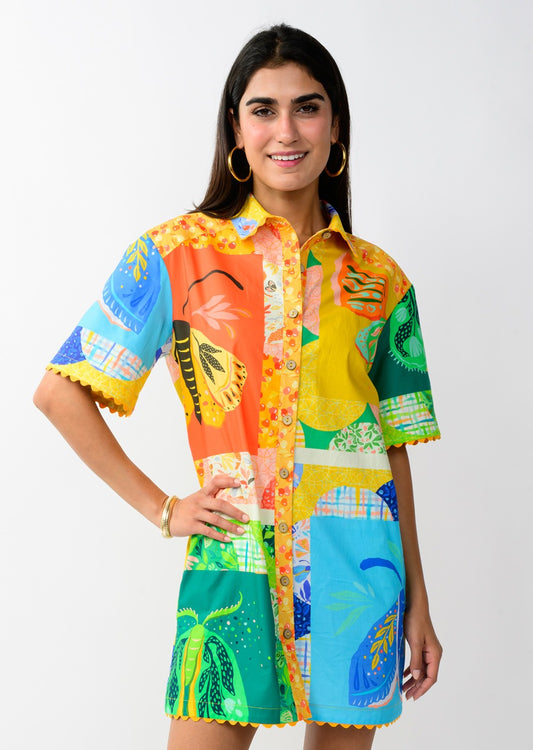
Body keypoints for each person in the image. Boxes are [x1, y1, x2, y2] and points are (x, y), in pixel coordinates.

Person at [34, 23, 442, 750]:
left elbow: (392, 449)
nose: (286, 130)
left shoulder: (380, 281)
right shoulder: (174, 255)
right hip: (233, 567)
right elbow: (59, 392)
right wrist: (163, 509)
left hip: (357, 579)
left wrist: (417, 600)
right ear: (235, 127)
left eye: (307, 107)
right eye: (263, 109)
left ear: (336, 125)